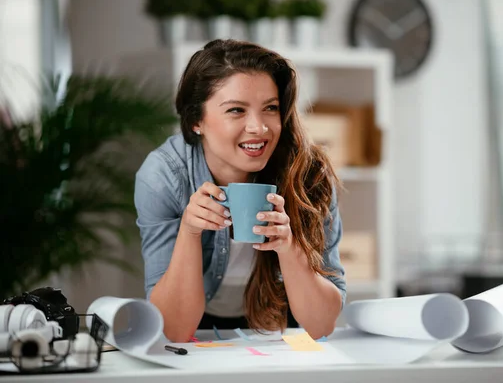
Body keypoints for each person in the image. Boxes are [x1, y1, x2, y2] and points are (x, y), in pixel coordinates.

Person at [134, 39, 346, 343]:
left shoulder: (308, 174)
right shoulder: (164, 176)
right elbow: (174, 331)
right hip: (198, 325)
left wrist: (290, 250)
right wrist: (190, 232)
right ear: (196, 120)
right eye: (236, 110)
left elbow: (322, 326)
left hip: (280, 324)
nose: (259, 128)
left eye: (270, 108)